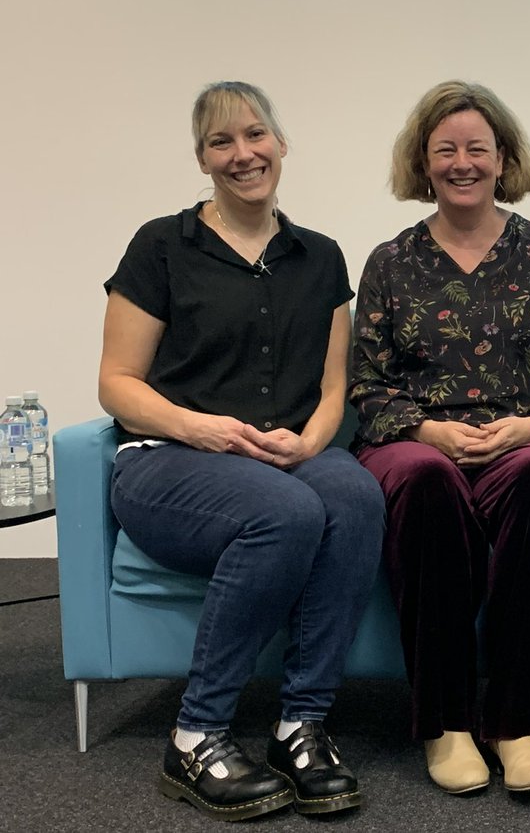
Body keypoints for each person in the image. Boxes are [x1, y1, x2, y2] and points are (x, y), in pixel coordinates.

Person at [98, 82, 384, 822]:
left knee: (353, 496)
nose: (242, 154)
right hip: (168, 459)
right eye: (221, 142)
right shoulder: (161, 244)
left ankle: (301, 727)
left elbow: (333, 390)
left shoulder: (320, 257)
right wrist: (201, 428)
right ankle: (196, 735)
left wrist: (311, 442)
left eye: (254, 135)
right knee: (285, 512)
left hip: (281, 452)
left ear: (281, 145)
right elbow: (117, 384)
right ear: (202, 157)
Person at [350, 81, 530, 796]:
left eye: (476, 149)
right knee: (426, 480)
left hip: (517, 437)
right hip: (415, 442)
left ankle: (521, 722)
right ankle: (445, 722)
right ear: (423, 163)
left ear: (503, 158)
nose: (462, 162)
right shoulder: (391, 261)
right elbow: (365, 382)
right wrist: (426, 430)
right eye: (445, 149)